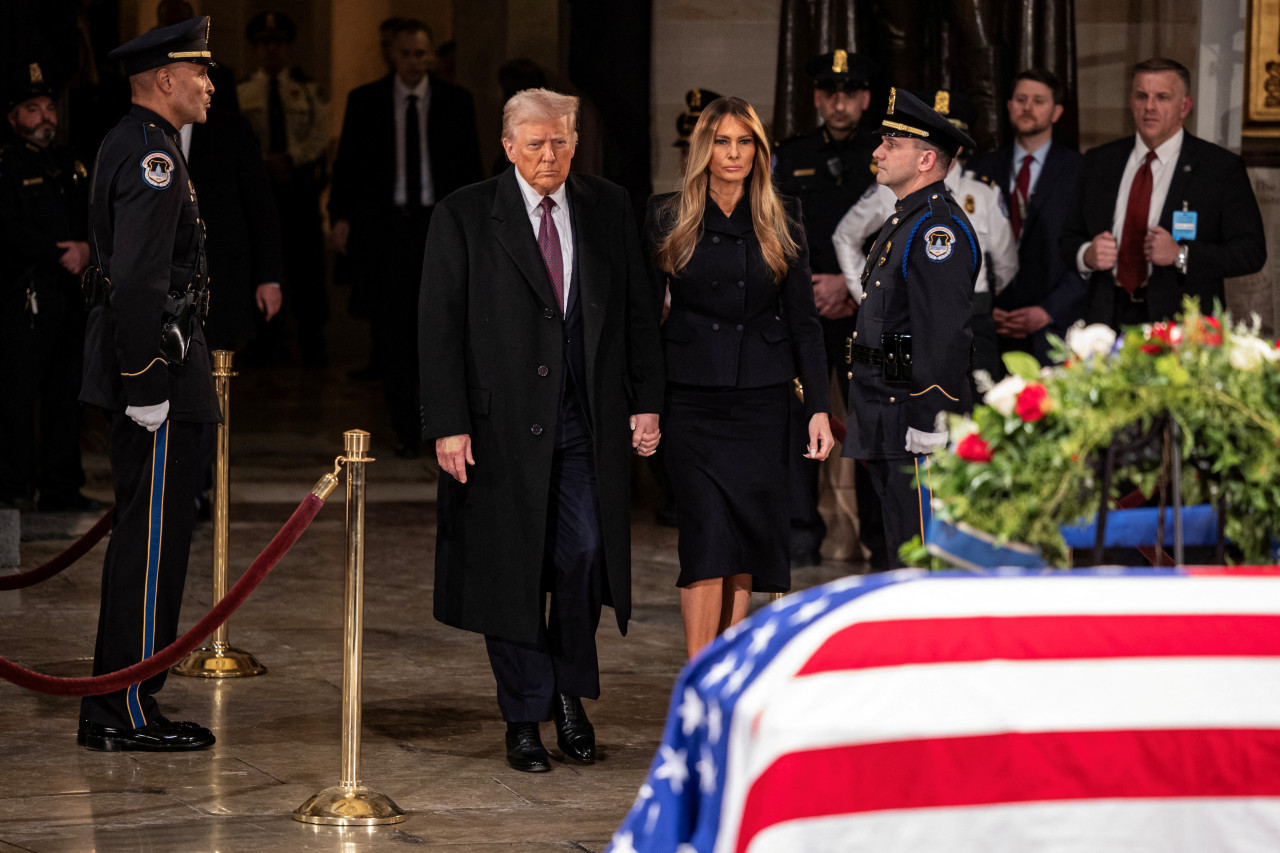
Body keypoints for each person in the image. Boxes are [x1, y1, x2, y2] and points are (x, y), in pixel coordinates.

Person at [419, 89, 663, 773]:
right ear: (508, 146)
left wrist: (647, 401)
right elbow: (437, 329)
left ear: (575, 142)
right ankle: (525, 715)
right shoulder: (465, 215)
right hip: (498, 431)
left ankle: (568, 692)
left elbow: (639, 311)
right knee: (513, 570)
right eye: (535, 142)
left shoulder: (608, 206)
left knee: (584, 555)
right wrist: (449, 423)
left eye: (560, 141)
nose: (549, 154)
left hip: (585, 420)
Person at [645, 96, 834, 659]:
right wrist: (645, 405)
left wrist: (818, 407)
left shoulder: (785, 214)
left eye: (744, 141)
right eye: (722, 141)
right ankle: (699, 677)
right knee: (706, 536)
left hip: (762, 401)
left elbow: (805, 322)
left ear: (760, 149)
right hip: (692, 401)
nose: (734, 153)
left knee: (747, 540)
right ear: (704, 148)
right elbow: (642, 320)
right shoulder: (666, 213)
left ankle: (728, 680)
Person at [76, 16, 220, 752]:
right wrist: (144, 382)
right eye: (199, 71)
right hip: (156, 370)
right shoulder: (149, 155)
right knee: (150, 543)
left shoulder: (146, 144)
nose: (209, 82)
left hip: (164, 362)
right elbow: (135, 279)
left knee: (157, 541)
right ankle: (120, 708)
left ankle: (131, 698)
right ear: (164, 78)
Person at [841, 87, 980, 569]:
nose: (877, 152)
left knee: (921, 557)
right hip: (888, 411)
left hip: (912, 421)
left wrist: (929, 417)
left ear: (925, 159)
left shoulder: (935, 230)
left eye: (891, 144)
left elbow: (942, 333)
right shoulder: (905, 219)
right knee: (897, 549)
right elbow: (899, 327)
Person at [331, 18, 483, 457]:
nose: (414, 62)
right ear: (390, 56)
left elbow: (470, 170)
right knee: (392, 331)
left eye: (422, 54)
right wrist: (340, 217)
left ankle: (437, 419)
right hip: (387, 231)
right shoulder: (366, 101)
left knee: (440, 328)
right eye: (405, 54)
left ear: (431, 56)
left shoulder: (456, 102)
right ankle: (403, 425)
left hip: (439, 229)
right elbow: (349, 166)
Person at [773, 49, 883, 570]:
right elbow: (775, 231)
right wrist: (807, 289)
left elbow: (888, 231)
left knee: (869, 419)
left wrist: (849, 283)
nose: (840, 104)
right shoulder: (790, 154)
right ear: (818, 99)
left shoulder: (887, 153)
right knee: (800, 416)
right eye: (830, 94)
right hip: (806, 309)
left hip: (866, 311)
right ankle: (799, 530)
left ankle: (881, 535)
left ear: (864, 99)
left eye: (851, 94)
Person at [1062, 58, 1265, 330]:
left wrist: (1180, 255)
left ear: (1184, 107)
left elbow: (1251, 252)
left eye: (1162, 97)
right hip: (1106, 317)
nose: (1150, 107)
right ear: (1131, 101)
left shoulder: (1219, 168)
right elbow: (1068, 236)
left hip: (1181, 323)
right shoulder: (1100, 161)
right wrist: (1087, 254)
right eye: (1141, 96)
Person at [833, 88, 1016, 382]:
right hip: (899, 334)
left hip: (971, 319)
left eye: (891, 144)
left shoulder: (970, 200)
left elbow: (1006, 265)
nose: (877, 153)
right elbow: (846, 236)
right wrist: (865, 296)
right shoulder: (896, 195)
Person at [0, 62, 100, 513]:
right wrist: (60, 251)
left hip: (70, 296)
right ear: (13, 117)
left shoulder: (70, 162)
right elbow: (7, 227)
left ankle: (60, 484)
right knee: (19, 396)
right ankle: (12, 486)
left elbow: (94, 218)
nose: (45, 117)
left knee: (68, 393)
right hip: (25, 295)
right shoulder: (6, 163)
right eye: (33, 109)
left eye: (48, 108)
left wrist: (85, 248)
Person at [968, 69, 1085, 366]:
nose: (1027, 108)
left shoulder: (1080, 171)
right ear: (1008, 106)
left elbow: (1090, 254)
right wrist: (982, 306)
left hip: (1053, 329)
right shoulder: (981, 168)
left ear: (1056, 112)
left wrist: (1047, 311)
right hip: (989, 329)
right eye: (1021, 99)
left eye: (1038, 101)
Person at [237, 11, 329, 366]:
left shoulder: (307, 89)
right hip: (261, 187)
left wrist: (291, 157)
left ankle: (312, 337)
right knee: (262, 260)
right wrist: (263, 160)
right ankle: (263, 338)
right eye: (264, 44)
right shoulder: (243, 91)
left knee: (306, 262)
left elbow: (320, 133)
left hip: (298, 186)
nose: (271, 51)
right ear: (255, 49)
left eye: (278, 43)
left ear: (288, 47)